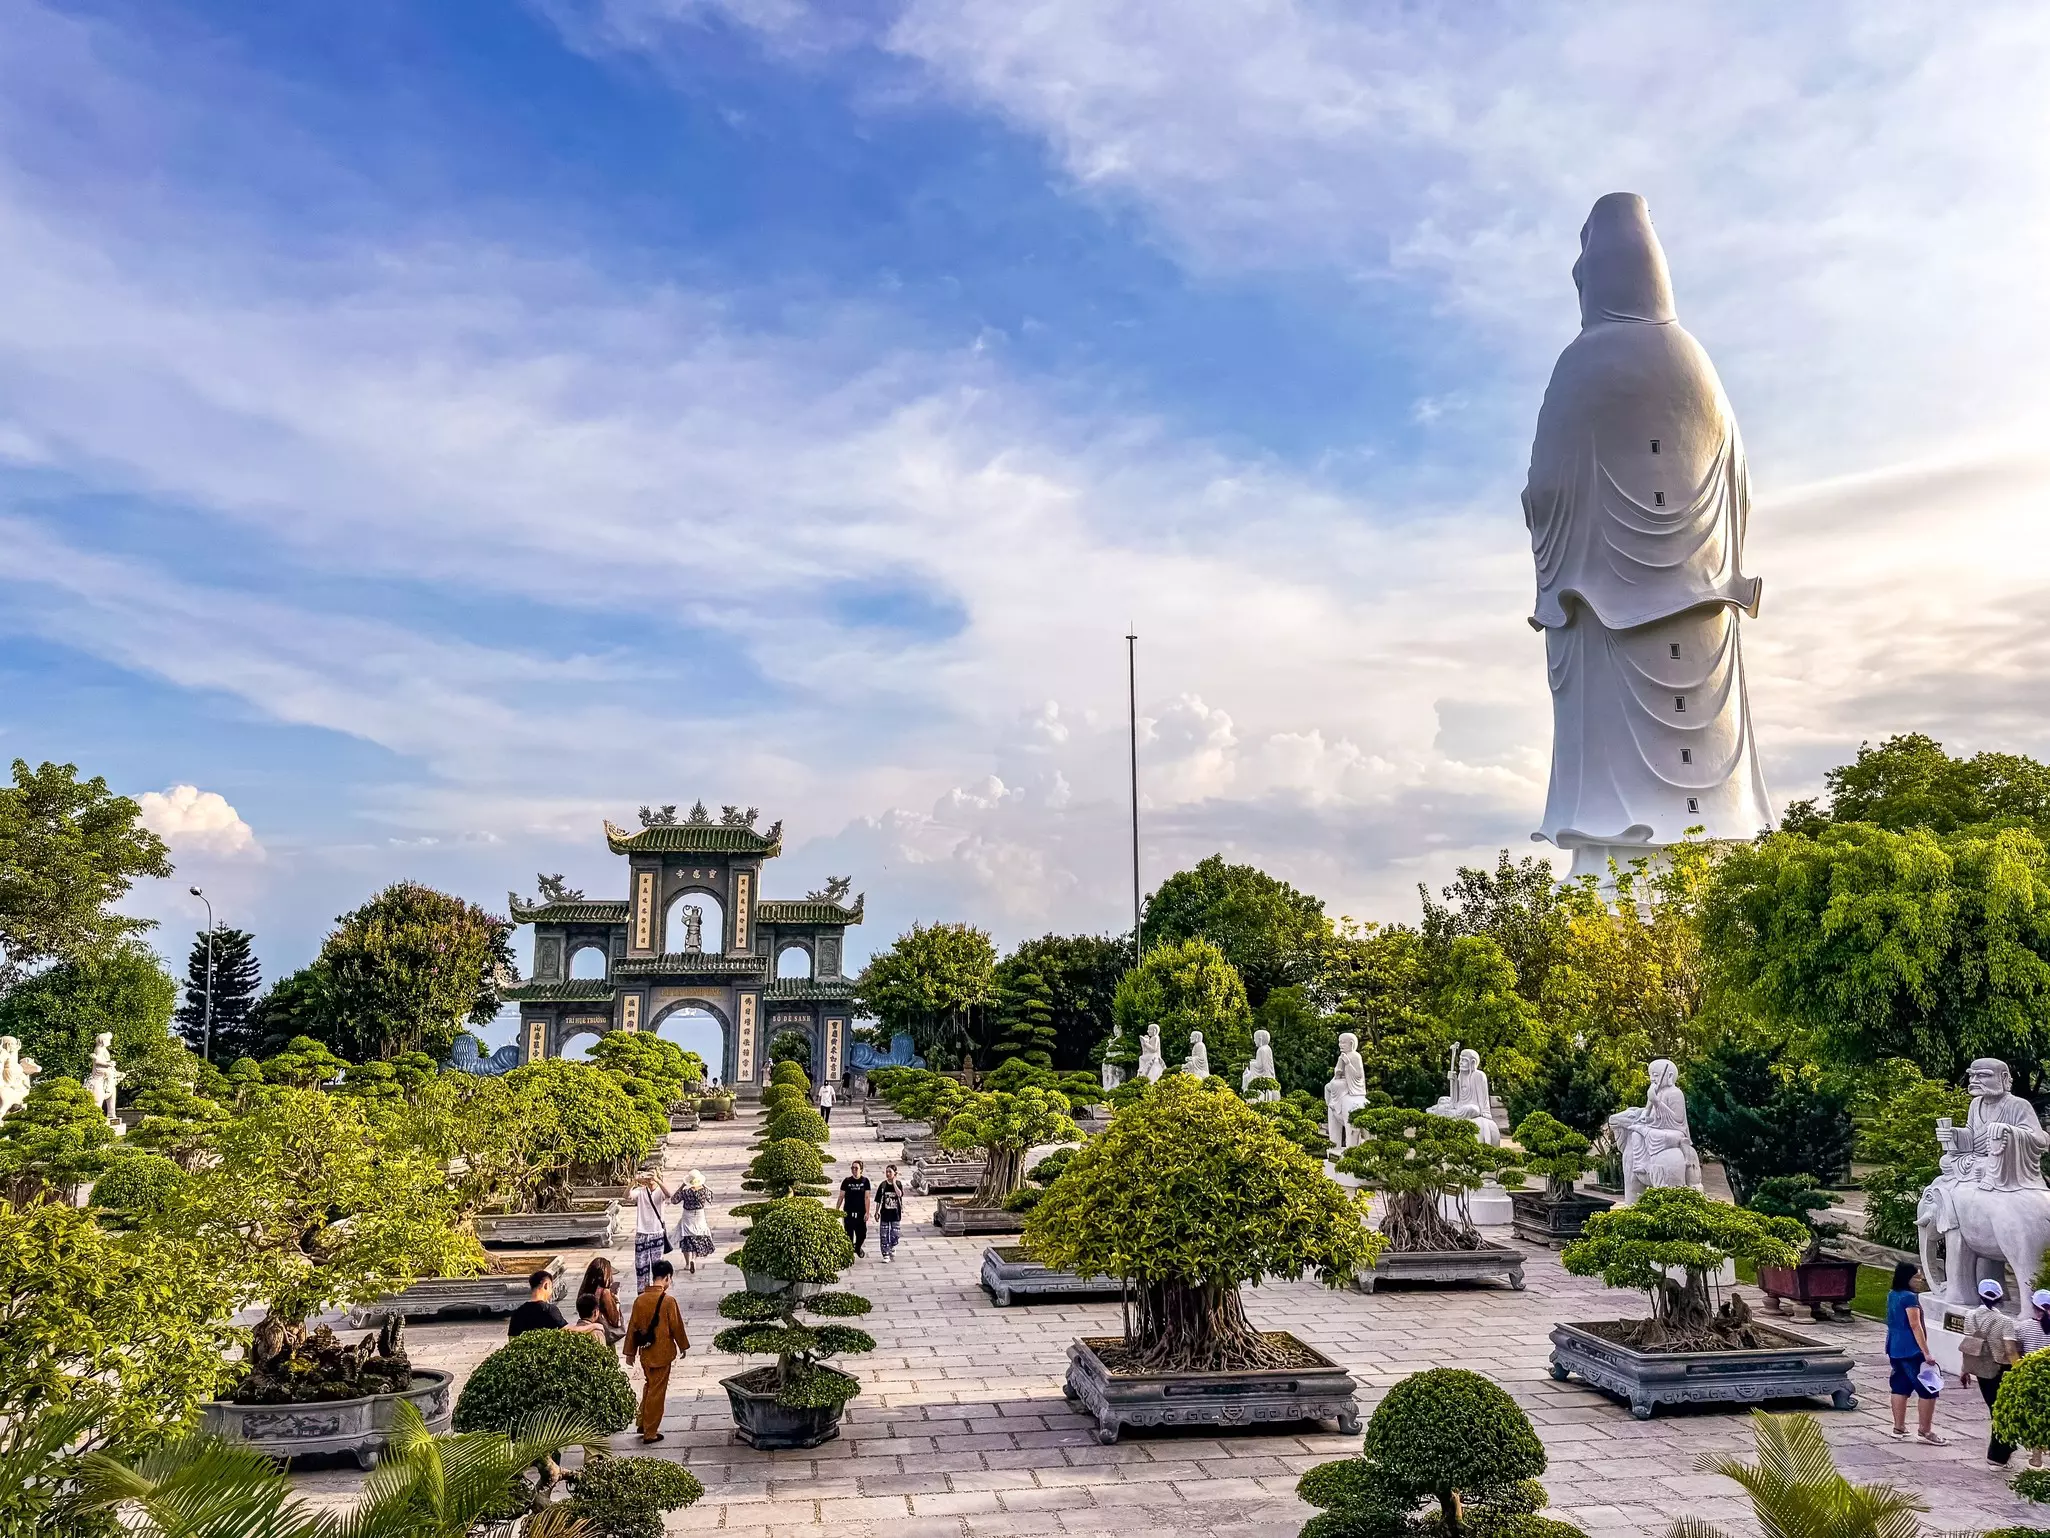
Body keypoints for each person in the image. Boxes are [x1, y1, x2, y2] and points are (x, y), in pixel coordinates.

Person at [623, 1258, 690, 1444]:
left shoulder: (640, 1300)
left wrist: (630, 1352)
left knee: (649, 1386)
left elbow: (632, 1327)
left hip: (645, 1353)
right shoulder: (668, 1301)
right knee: (657, 1392)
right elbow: (676, 1327)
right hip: (662, 1354)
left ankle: (643, 1423)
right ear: (667, 1277)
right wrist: (683, 1345)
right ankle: (650, 1432)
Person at [1963, 1277, 2025, 1466]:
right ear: (1999, 1298)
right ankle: (1998, 1454)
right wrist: (2020, 1371)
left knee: (1994, 1408)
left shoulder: (1970, 1316)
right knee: (2002, 1411)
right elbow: (2010, 1350)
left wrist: (1964, 1370)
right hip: (2000, 1368)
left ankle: (2005, 1447)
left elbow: (1969, 1346)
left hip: (1980, 1368)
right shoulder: (2004, 1321)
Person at [1886, 1262, 1948, 1445]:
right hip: (1910, 1349)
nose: (1919, 1280)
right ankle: (1925, 1430)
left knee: (1900, 1386)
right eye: (1916, 1277)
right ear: (1907, 1278)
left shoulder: (1893, 1295)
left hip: (1894, 1347)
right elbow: (1915, 1325)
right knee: (1928, 1389)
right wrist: (1926, 1352)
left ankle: (1899, 1427)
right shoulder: (1909, 1298)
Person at [632, 1171, 674, 1292]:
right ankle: (642, 1293)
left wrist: (658, 1180)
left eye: (652, 1175)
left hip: (657, 1233)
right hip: (642, 1233)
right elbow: (626, 1196)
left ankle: (658, 1291)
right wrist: (634, 1181)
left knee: (658, 1267)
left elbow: (669, 1194)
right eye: (648, 1175)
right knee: (641, 1267)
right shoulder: (640, 1191)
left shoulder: (660, 1191)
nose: (650, 1178)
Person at [674, 1169, 715, 1275]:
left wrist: (682, 1186)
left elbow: (674, 1200)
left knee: (686, 1238)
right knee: (699, 1236)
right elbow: (711, 1197)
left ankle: (687, 1263)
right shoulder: (704, 1191)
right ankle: (693, 1258)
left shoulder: (685, 1192)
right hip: (700, 1216)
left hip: (687, 1216)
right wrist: (703, 1185)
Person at [579, 1256, 624, 1348]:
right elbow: (616, 1320)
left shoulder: (585, 1289)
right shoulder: (604, 1292)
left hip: (586, 1330)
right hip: (602, 1335)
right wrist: (617, 1300)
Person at [507, 1269, 566, 1338]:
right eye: (551, 1287)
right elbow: (566, 1330)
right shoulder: (550, 1310)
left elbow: (512, 1338)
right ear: (546, 1285)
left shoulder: (517, 1313)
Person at [839, 1159, 873, 1259]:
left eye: (856, 1168)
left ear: (861, 1170)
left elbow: (867, 1198)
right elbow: (841, 1196)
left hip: (860, 1212)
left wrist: (867, 1212)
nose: (854, 1170)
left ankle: (858, 1247)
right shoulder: (847, 1181)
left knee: (861, 1234)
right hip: (848, 1212)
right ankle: (849, 1253)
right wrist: (836, 1210)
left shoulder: (865, 1181)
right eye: (852, 1168)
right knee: (848, 1234)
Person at [876, 1163, 905, 1262]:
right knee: (884, 1235)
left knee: (895, 1234)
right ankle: (885, 1254)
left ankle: (893, 1245)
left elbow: (899, 1194)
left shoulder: (899, 1184)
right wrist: (876, 1212)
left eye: (890, 1172)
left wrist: (894, 1183)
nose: (888, 1174)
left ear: (895, 1173)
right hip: (885, 1213)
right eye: (886, 1172)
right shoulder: (883, 1185)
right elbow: (878, 1200)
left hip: (895, 1214)